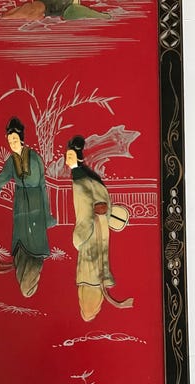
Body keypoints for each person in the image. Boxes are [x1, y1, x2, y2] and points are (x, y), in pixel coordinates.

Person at [0, 117, 57, 297]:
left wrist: (47, 215)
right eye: (10, 140)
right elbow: (1, 179)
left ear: (21, 139)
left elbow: (43, 185)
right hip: (21, 208)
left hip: (36, 205)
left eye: (15, 139)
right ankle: (23, 279)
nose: (12, 143)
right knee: (20, 247)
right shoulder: (11, 162)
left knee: (35, 248)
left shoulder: (35, 158)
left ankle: (30, 283)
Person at [65, 135, 132, 321]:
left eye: (70, 156)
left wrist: (80, 236)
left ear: (78, 158)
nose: (67, 160)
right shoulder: (82, 178)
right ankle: (89, 309)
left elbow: (87, 209)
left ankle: (90, 309)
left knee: (90, 269)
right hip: (95, 227)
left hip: (91, 231)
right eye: (67, 156)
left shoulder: (82, 180)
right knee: (92, 268)